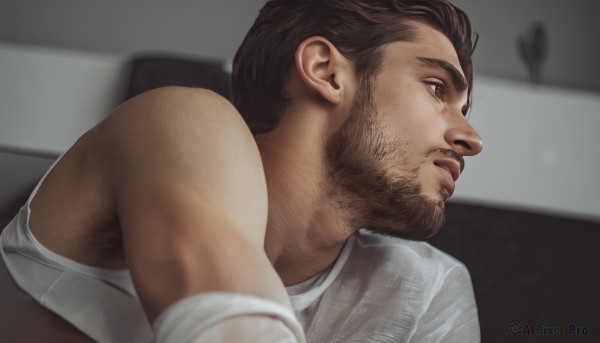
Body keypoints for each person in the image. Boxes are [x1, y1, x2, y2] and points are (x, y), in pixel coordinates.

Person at [0, 0, 483, 341]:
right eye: (438, 88)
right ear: (325, 70)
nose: (471, 139)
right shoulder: (183, 119)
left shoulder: (426, 287)